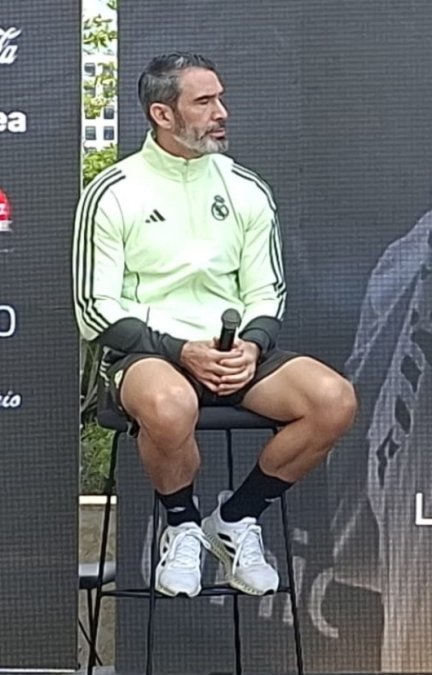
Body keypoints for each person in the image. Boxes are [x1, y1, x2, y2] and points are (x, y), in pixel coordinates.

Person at [71, 52, 357, 598]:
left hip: (233, 351)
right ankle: (181, 526)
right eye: (204, 102)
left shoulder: (246, 187)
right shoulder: (113, 190)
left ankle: (235, 520)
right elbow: (93, 306)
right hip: (150, 354)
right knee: (169, 404)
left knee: (333, 400)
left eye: (221, 99)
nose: (221, 112)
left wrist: (253, 345)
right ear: (162, 114)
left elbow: (266, 290)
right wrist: (181, 350)